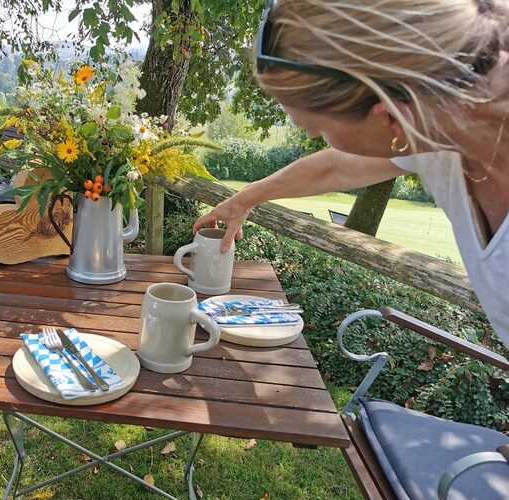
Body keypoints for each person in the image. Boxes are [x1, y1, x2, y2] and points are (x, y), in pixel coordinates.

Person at [193, 0, 509, 345]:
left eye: (316, 126)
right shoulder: (437, 127)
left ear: (392, 118)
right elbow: (335, 165)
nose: (313, 137)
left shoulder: (430, 126)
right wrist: (245, 199)